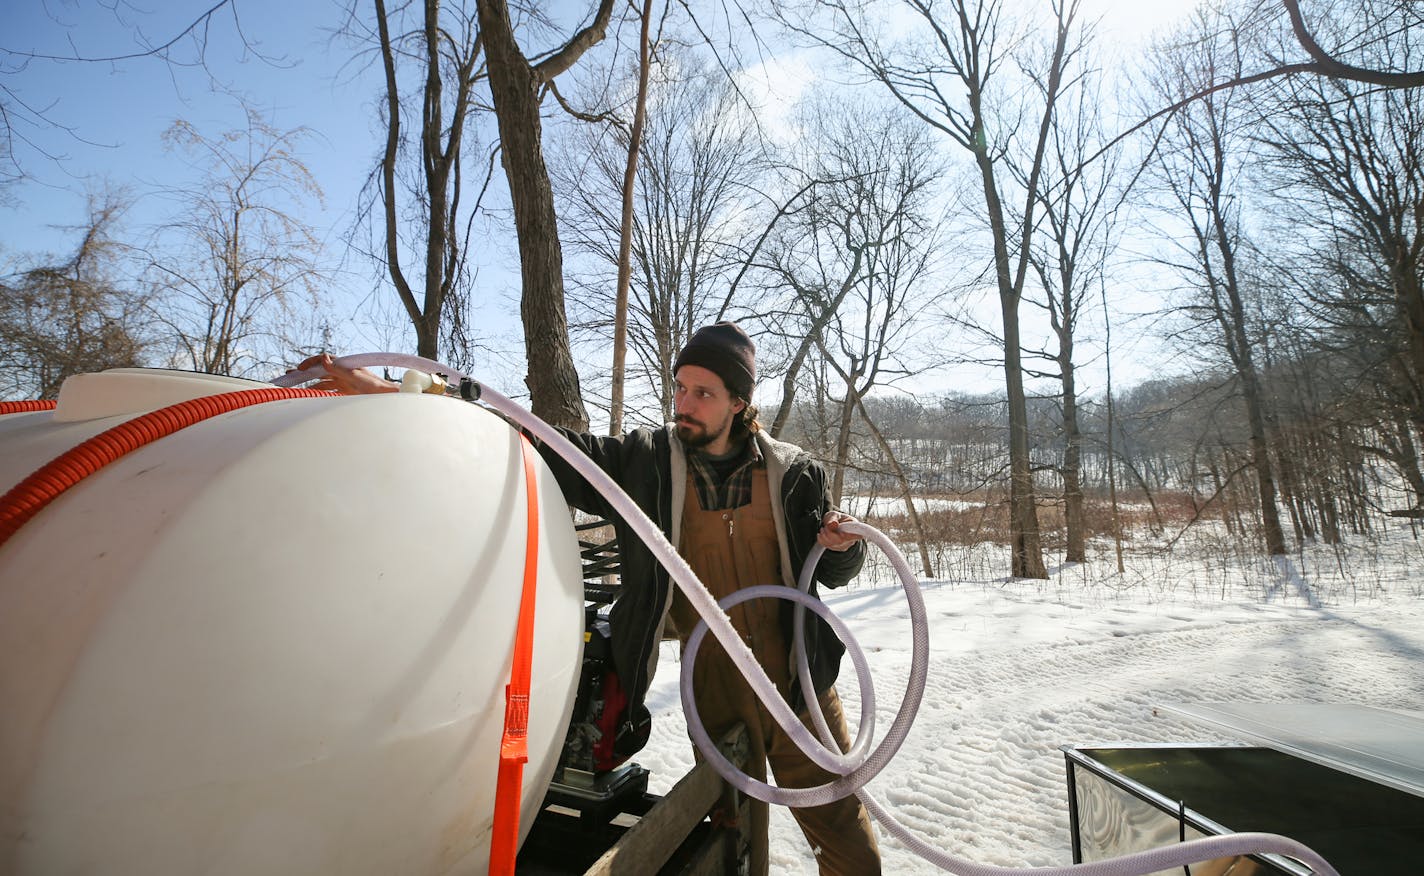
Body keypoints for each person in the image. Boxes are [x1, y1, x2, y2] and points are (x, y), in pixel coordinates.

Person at [294, 322, 881, 875]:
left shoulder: (792, 474)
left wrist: (839, 547)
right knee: (724, 836)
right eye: (680, 387)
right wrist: (410, 394)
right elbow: (546, 444)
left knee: (845, 834)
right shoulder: (648, 464)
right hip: (716, 686)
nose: (684, 403)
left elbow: (832, 572)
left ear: (738, 402)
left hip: (799, 684)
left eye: (704, 393)